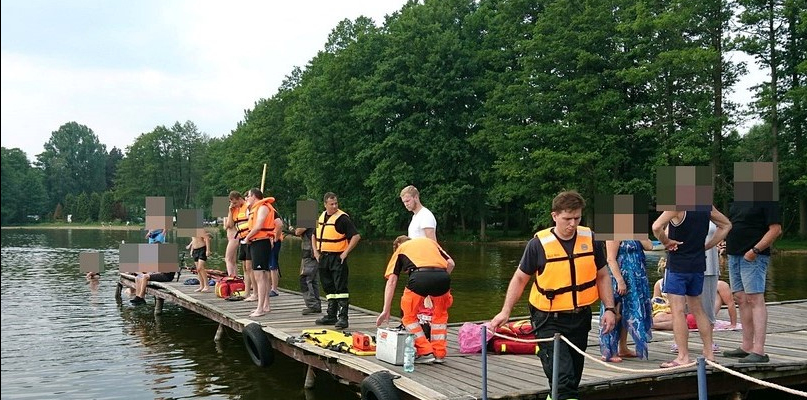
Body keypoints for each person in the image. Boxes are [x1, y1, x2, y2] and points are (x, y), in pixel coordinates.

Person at [489, 190, 616, 400]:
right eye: (567, 218)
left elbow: (602, 275)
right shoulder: (537, 245)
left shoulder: (590, 240)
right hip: (548, 319)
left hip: (580, 317)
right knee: (563, 380)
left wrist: (609, 308)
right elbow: (520, 279)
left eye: (577, 218)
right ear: (554, 216)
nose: (573, 224)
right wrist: (505, 311)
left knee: (572, 379)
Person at [651, 206, 731, 368]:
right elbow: (726, 225)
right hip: (698, 264)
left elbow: (656, 227)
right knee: (698, 309)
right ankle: (709, 352)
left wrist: (666, 242)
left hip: (678, 266)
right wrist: (708, 246)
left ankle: (683, 356)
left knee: (678, 311)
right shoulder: (705, 206)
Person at [376, 236, 455, 364]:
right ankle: (439, 353)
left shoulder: (400, 249)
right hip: (443, 277)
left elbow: (392, 281)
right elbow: (451, 263)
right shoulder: (430, 243)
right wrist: (436, 281)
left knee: (408, 317)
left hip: (420, 277)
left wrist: (386, 309)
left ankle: (425, 351)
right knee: (440, 316)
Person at [723, 200, 781, 363]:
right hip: (734, 255)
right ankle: (746, 346)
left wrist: (755, 250)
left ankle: (759, 350)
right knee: (741, 299)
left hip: (753, 257)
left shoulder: (767, 199)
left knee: (755, 299)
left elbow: (775, 229)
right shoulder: (738, 202)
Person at [599, 239, 654, 362]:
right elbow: (610, 259)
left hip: (636, 279)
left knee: (627, 313)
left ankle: (623, 347)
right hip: (621, 278)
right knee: (616, 313)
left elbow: (650, 246)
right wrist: (620, 280)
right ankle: (609, 350)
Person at [312, 192, 361, 329]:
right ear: (325, 204)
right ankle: (331, 315)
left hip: (337, 257)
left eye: (336, 203)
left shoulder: (342, 219)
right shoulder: (320, 217)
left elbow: (356, 236)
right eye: (331, 204)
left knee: (341, 288)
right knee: (328, 287)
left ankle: (343, 317)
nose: (334, 206)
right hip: (323, 257)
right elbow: (313, 235)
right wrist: (315, 251)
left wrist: (345, 253)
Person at [243, 188, 277, 318]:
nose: (247, 198)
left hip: (261, 242)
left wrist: (247, 238)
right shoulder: (254, 209)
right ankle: (265, 305)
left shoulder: (263, 207)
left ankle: (260, 308)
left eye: (248, 196)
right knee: (262, 275)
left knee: (260, 276)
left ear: (254, 196)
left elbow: (258, 227)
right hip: (256, 242)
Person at [229, 191, 255, 300]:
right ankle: (247, 292)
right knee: (245, 267)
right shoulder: (234, 210)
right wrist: (230, 210)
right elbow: (230, 225)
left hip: (250, 239)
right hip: (242, 240)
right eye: (232, 203)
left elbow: (253, 222)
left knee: (250, 267)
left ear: (240, 199)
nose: (234, 205)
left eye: (235, 203)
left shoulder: (247, 207)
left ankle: (255, 292)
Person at [296, 226, 322, 315]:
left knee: (305, 279)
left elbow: (298, 231)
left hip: (310, 254)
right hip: (313, 253)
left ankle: (312, 305)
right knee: (313, 280)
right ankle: (316, 304)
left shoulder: (307, 213)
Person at [223, 191, 242, 277]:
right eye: (231, 202)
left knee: (227, 258)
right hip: (230, 237)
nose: (232, 204)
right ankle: (235, 277)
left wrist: (230, 212)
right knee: (233, 260)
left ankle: (231, 276)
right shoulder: (228, 211)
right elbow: (225, 227)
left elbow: (230, 225)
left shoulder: (234, 211)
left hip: (234, 237)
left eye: (234, 202)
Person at [268, 214, 284, 297]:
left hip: (273, 241)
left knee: (272, 264)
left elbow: (280, 224)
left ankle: (274, 289)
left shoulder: (270, 211)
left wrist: (275, 239)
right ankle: (270, 287)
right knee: (270, 264)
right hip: (267, 240)